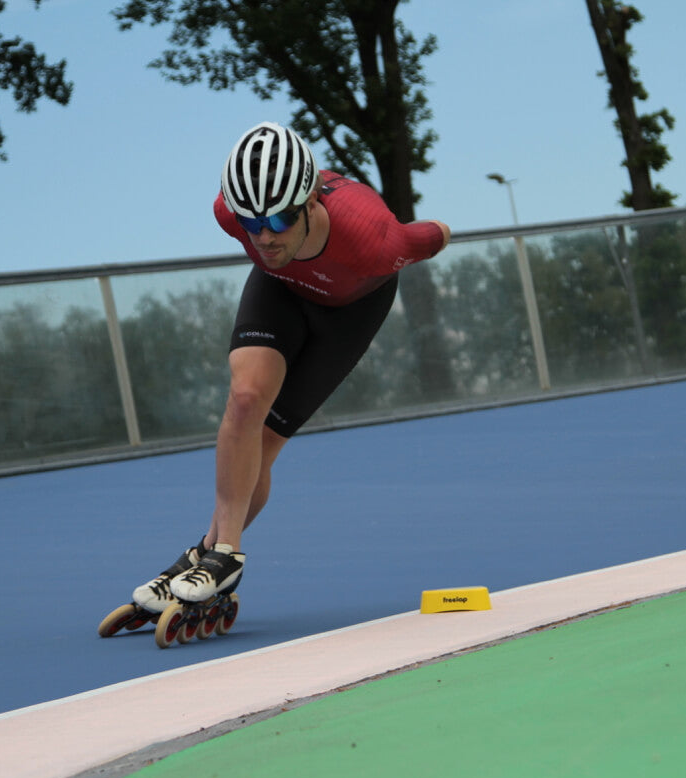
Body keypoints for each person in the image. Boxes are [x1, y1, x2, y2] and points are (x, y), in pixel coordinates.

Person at [131, 121, 451, 612]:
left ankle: (202, 552)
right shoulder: (231, 215)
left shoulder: (371, 238)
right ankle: (223, 554)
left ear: (310, 204)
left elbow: (429, 236)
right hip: (279, 290)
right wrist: (266, 229)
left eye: (278, 221)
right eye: (251, 223)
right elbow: (259, 228)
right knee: (244, 399)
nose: (263, 235)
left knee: (266, 441)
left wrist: (438, 233)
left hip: (348, 312)